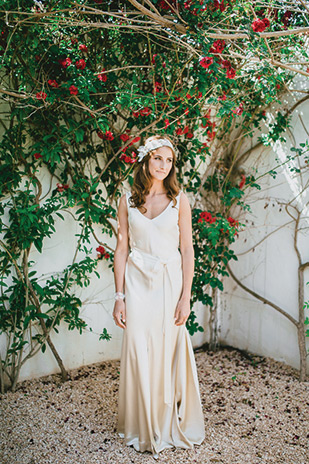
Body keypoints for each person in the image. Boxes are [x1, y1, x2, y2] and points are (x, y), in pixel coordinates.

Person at [112, 134, 205, 458]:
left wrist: (185, 296)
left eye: (169, 160)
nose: (164, 165)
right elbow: (121, 247)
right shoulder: (127, 199)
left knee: (166, 352)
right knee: (138, 350)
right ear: (145, 161)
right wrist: (119, 296)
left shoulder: (180, 200)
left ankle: (165, 425)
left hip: (169, 283)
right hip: (136, 285)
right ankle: (140, 424)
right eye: (157, 159)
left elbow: (188, 250)